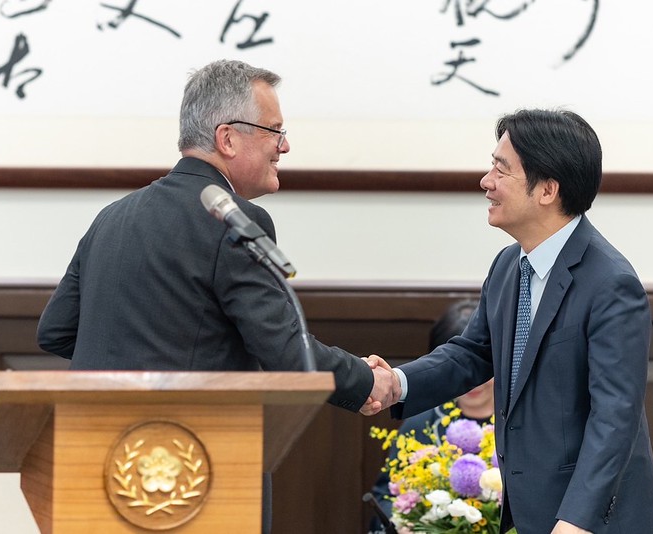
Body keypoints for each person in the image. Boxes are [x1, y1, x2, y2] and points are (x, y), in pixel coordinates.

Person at [36, 60, 396, 416]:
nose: (284, 147)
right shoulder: (232, 220)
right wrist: (368, 380)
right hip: (190, 449)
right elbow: (286, 352)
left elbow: (56, 331)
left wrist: (136, 372)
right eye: (275, 130)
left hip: (89, 444)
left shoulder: (112, 216)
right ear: (227, 139)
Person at [364, 109, 653, 534]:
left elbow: (616, 417)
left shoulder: (611, 283)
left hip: (589, 521)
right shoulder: (509, 265)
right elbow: (472, 354)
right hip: (530, 513)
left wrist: (576, 520)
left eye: (500, 170)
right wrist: (397, 382)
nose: (486, 182)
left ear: (547, 189)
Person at [367, 299, 494, 533]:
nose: (471, 382)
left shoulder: (519, 424)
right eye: (458, 371)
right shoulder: (421, 424)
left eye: (481, 368)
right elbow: (386, 495)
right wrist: (402, 523)